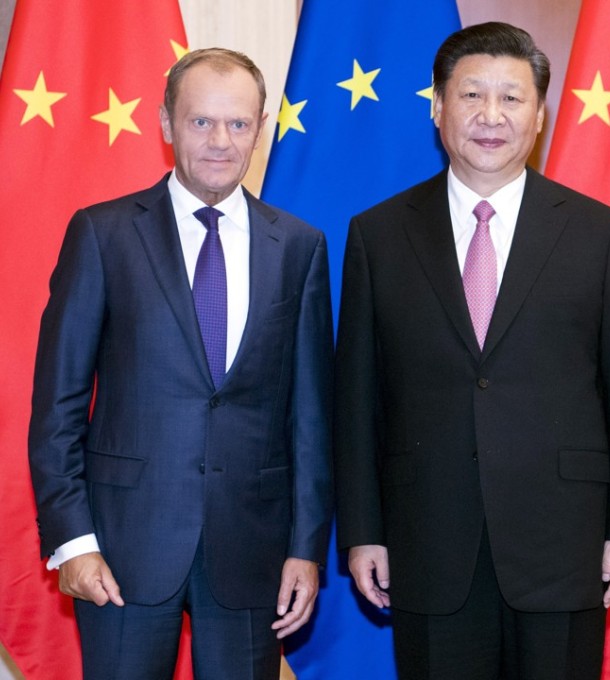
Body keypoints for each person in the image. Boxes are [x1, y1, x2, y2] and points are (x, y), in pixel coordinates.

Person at [334, 22, 610, 679]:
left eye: (512, 98)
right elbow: (357, 399)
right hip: (427, 537)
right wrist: (364, 530)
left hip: (564, 542)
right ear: (437, 108)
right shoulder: (379, 234)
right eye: (471, 95)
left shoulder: (600, 233)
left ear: (539, 116)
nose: (491, 116)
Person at [28, 48, 333, 679]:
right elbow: (57, 406)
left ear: (260, 128)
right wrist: (73, 541)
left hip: (252, 552)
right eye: (201, 122)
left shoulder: (300, 247)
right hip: (120, 551)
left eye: (238, 123)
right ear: (167, 123)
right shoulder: (103, 234)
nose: (221, 142)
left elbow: (310, 417)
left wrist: (306, 547)